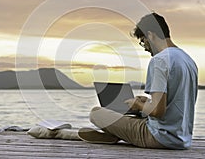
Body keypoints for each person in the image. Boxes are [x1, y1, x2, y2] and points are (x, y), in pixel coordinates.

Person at [78, 12, 198, 149]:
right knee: (131, 115)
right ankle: (116, 133)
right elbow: (175, 103)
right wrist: (147, 102)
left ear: (151, 35)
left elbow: (158, 111)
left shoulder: (159, 60)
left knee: (96, 113)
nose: (145, 48)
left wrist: (138, 105)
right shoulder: (188, 60)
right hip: (182, 139)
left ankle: (114, 134)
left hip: (158, 137)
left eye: (143, 41)